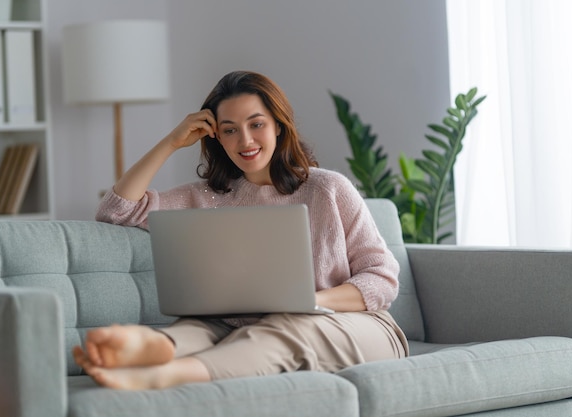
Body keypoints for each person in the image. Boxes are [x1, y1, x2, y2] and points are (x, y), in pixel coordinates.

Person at [73, 70, 409, 390]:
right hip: (240, 324)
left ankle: (170, 375)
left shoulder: (328, 189)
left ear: (278, 125)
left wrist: (308, 301)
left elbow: (382, 278)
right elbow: (116, 210)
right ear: (216, 136)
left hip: (358, 325)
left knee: (286, 326)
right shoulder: (206, 196)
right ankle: (150, 349)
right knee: (198, 328)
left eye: (256, 124)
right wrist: (171, 143)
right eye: (230, 129)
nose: (244, 140)